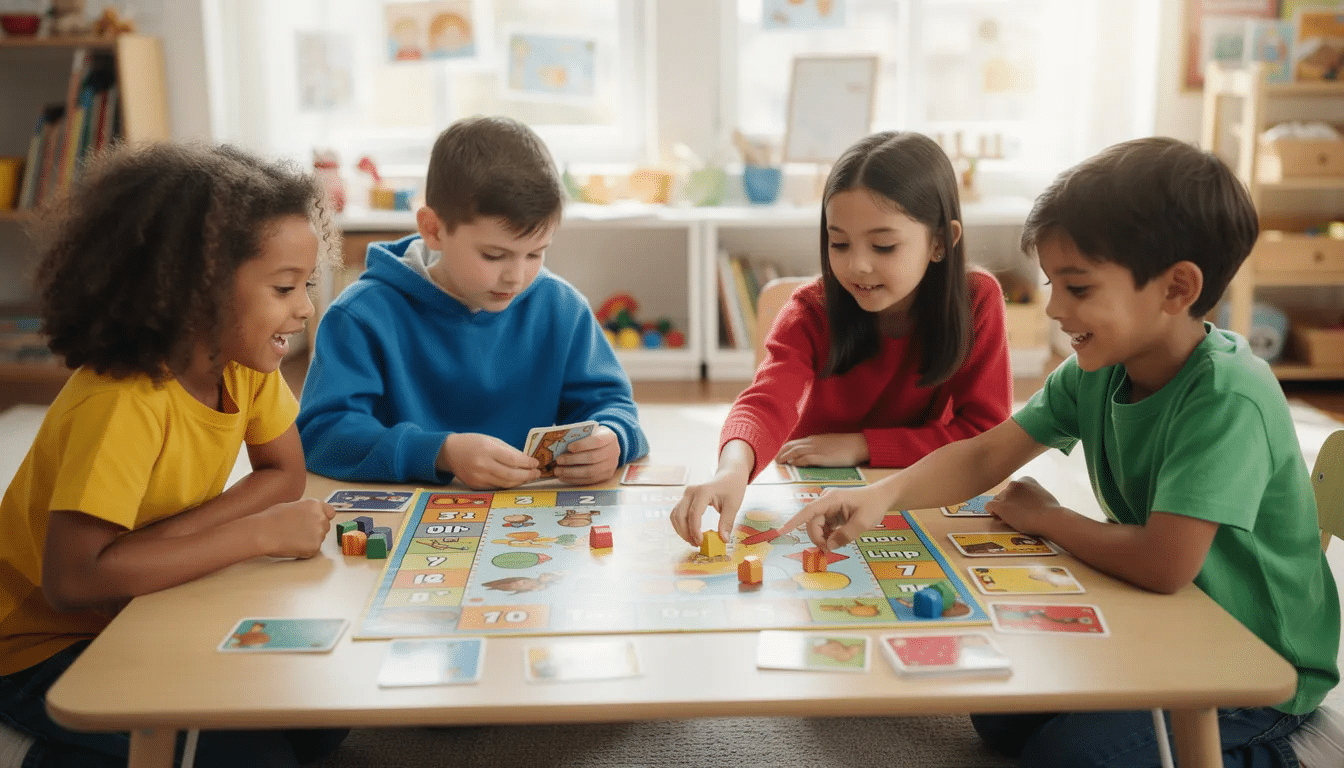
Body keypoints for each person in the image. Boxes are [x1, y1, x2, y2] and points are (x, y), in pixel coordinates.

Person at [781, 136, 1342, 768]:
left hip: (1253, 660)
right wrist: (880, 495)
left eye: (1077, 287)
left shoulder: (1227, 396)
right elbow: (982, 456)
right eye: (1053, 284)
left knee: (1068, 757)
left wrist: (1048, 519)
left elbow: (1165, 564)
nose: (1053, 308)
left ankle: (1284, 755)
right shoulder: (1096, 370)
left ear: (1176, 288)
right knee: (1001, 714)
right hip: (1168, 620)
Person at [0, 143, 348, 767]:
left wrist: (158, 544)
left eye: (306, 285)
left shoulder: (243, 365)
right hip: (36, 646)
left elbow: (284, 472)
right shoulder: (122, 401)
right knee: (255, 761)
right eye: (284, 287)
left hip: (137, 600)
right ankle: (29, 750)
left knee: (320, 722)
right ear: (198, 292)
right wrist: (253, 534)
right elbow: (72, 581)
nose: (305, 308)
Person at [670, 131, 1012, 547]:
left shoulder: (977, 300)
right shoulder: (810, 310)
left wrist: (863, 445)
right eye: (839, 243)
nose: (857, 265)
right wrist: (731, 471)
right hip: (815, 489)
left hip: (913, 486)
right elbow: (765, 401)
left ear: (940, 241)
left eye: (883, 246)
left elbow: (986, 437)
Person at [298, 116, 648, 490]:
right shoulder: (360, 316)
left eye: (535, 253)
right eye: (494, 255)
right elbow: (322, 434)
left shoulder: (561, 308)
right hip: (405, 514)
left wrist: (613, 438)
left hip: (531, 512)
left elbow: (614, 406)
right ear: (433, 229)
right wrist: (441, 453)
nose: (516, 277)